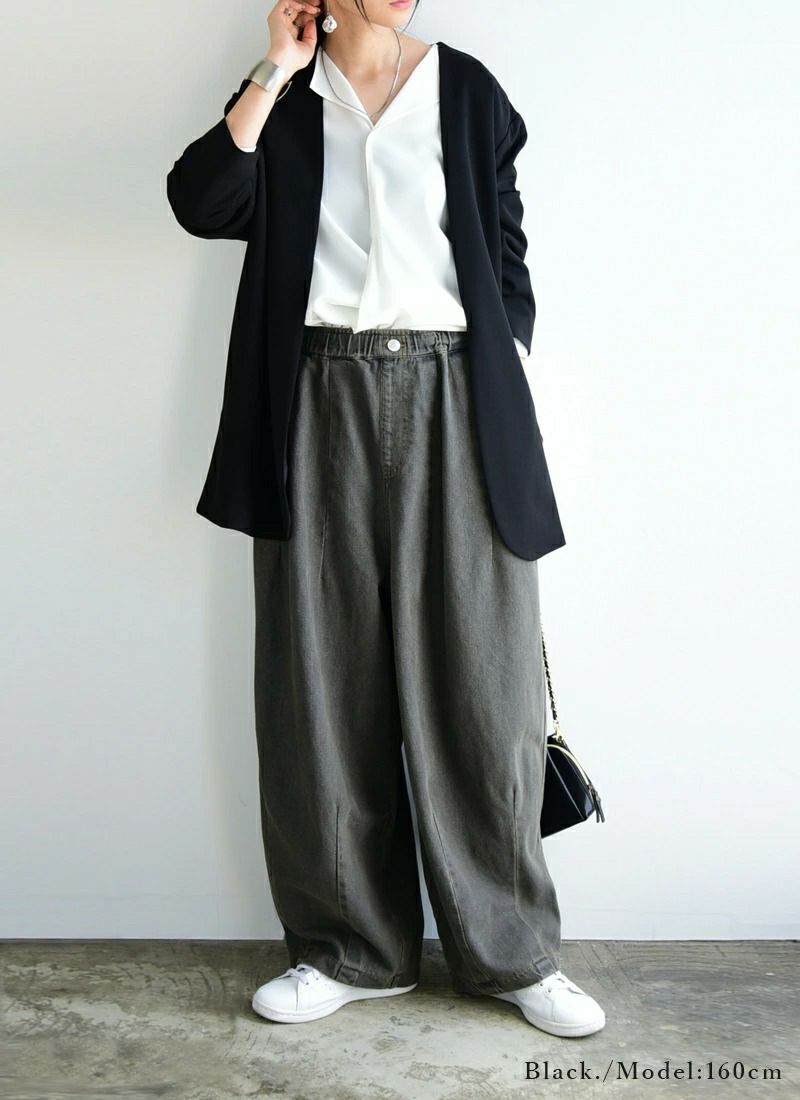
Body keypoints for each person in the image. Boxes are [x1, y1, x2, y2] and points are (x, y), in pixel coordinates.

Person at [166, 0, 606, 1038]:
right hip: (315, 395)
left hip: (457, 394)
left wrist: (504, 359)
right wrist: (274, 68)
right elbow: (202, 201)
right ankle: (348, 948)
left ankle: (512, 951)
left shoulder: (467, 91)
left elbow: (505, 247)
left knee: (482, 680)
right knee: (321, 680)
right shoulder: (284, 99)